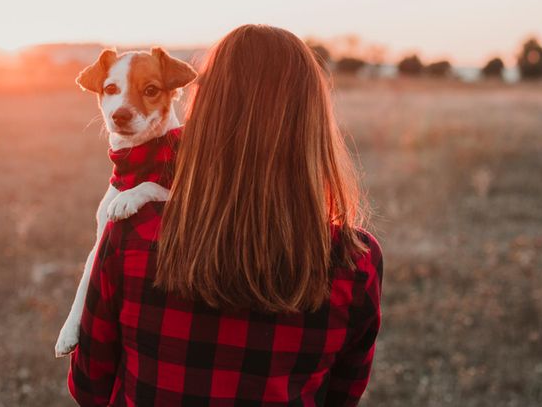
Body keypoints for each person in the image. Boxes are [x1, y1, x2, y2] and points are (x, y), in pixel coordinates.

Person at [69, 24, 383, 406]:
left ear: (203, 108)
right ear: (313, 121)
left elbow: (90, 386)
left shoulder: (133, 232)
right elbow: (342, 395)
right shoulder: (355, 260)